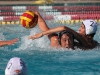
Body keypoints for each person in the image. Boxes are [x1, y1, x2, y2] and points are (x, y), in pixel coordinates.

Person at [28, 11, 98, 50]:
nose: (79, 29)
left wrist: (42, 34)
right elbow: (46, 28)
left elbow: (64, 28)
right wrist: (37, 15)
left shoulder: (86, 43)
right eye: (64, 40)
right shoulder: (55, 41)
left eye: (82, 28)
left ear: (88, 30)